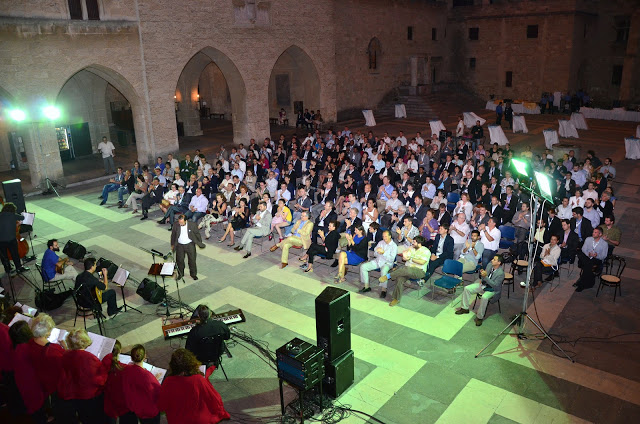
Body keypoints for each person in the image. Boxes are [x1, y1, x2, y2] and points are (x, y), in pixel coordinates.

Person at [13, 314, 63, 423]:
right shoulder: (53, 350)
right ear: (47, 332)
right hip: (53, 385)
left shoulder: (30, 343)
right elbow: (64, 366)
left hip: (40, 381)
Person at [157, 348, 230, 424]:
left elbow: (161, 406)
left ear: (173, 366)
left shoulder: (168, 381)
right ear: (191, 363)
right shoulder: (199, 380)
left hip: (177, 420)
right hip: (197, 420)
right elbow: (214, 399)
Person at [57, 329, 109, 423]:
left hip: (74, 392)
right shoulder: (89, 358)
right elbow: (99, 379)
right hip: (88, 394)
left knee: (82, 414)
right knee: (90, 417)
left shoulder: (66, 355)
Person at [381, 235, 431, 307]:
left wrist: (411, 258)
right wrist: (404, 257)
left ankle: (389, 276)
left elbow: (422, 262)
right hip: (406, 269)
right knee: (399, 279)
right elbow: (404, 259)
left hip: (419, 271)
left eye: (414, 242)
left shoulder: (426, 251)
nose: (412, 243)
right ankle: (396, 299)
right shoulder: (411, 248)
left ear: (419, 243)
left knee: (407, 269)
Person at [456, 254, 505, 326]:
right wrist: (482, 275)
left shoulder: (501, 273)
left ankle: (480, 317)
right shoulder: (489, 265)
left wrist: (485, 277)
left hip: (492, 289)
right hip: (484, 285)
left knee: (484, 297)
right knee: (467, 288)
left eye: (494, 260)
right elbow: (484, 276)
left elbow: (494, 285)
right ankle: (464, 308)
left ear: (499, 262)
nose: (492, 260)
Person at [119, 344, 162, 424]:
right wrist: (155, 379)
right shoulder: (147, 376)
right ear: (144, 356)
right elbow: (158, 393)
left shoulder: (127, 369)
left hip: (137, 407)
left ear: (131, 357)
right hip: (149, 411)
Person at [359, 229, 397, 298]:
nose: (384, 238)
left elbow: (391, 259)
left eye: (386, 236)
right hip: (378, 260)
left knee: (384, 271)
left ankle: (384, 290)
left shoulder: (394, 246)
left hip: (387, 263)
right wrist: (378, 252)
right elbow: (375, 253)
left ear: (390, 236)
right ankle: (366, 286)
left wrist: (383, 253)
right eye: (383, 236)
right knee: (363, 266)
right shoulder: (381, 242)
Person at [171, 214, 206, 280]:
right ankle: (180, 274)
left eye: (181, 222)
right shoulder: (176, 224)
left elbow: (197, 234)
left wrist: (199, 242)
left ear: (185, 221)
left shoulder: (192, 225)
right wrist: (172, 244)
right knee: (179, 261)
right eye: (179, 222)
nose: (180, 224)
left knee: (192, 260)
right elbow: (173, 235)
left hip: (190, 245)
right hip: (180, 245)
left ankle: (193, 274)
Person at [574, 227, 608, 292]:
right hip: (587, 257)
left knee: (587, 264)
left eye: (595, 232)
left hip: (596, 259)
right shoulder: (588, 239)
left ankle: (581, 283)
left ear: (600, 234)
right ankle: (587, 283)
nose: (593, 233)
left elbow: (604, 256)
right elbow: (584, 249)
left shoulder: (604, 244)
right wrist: (588, 254)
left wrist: (597, 255)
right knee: (585, 260)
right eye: (593, 232)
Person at [0, 202, 29, 274]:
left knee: (4, 256)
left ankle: (8, 269)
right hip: (11, 239)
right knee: (15, 254)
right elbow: (23, 217)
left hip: (1, 241)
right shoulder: (13, 215)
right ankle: (19, 268)